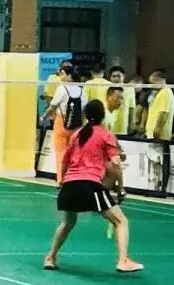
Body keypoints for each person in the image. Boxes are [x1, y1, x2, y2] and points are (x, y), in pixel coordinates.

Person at [44, 99, 142, 274]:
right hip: (90, 185)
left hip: (69, 185)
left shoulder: (77, 134)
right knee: (121, 221)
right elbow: (116, 164)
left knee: (68, 222)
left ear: (85, 115)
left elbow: (65, 162)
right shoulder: (105, 134)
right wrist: (121, 188)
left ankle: (50, 257)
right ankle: (123, 260)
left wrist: (62, 183)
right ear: (102, 116)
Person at [41, 67, 86, 185]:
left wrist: (44, 117)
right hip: (77, 125)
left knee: (60, 152)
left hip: (61, 123)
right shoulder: (82, 90)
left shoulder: (62, 88)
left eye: (62, 74)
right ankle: (73, 179)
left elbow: (53, 105)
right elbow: (84, 109)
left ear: (70, 76)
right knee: (75, 152)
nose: (60, 77)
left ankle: (61, 179)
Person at [145, 69, 174, 141]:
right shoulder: (159, 93)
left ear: (159, 79)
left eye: (152, 83)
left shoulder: (165, 92)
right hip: (152, 134)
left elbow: (163, 112)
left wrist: (158, 128)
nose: (152, 86)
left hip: (159, 135)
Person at [107, 66, 135, 135]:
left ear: (124, 76)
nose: (116, 78)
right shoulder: (105, 88)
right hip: (107, 124)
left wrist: (131, 123)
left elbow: (131, 107)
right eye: (114, 76)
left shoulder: (130, 88)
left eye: (119, 76)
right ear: (110, 77)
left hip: (123, 125)